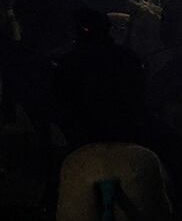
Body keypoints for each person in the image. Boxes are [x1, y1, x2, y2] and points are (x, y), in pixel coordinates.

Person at [49, 8, 147, 149]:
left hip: (82, 140)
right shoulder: (129, 57)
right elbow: (140, 97)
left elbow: (60, 102)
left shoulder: (68, 62)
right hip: (127, 136)